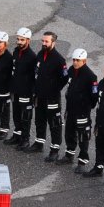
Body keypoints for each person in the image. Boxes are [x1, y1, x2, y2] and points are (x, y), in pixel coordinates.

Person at [24, 32, 68, 162]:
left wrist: (54, 88)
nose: (43, 43)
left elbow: (65, 78)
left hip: (52, 99)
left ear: (53, 42)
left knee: (54, 124)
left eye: (46, 42)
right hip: (39, 96)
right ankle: (39, 143)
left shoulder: (59, 60)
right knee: (39, 120)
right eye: (43, 41)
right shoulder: (40, 55)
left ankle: (54, 150)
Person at [58, 49, 98, 168]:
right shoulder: (71, 70)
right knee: (69, 133)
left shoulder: (91, 76)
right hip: (70, 110)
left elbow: (94, 96)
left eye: (78, 60)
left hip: (82, 112)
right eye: (74, 60)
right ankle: (69, 155)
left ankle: (82, 161)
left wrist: (86, 106)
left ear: (84, 61)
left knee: (82, 137)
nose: (75, 62)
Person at [7, 28, 37, 148]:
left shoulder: (32, 57)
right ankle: (17, 135)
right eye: (18, 39)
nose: (19, 42)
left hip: (26, 92)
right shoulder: (15, 51)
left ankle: (25, 140)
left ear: (28, 40)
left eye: (22, 40)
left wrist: (32, 93)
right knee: (16, 114)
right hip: (16, 90)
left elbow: (35, 76)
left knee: (25, 117)